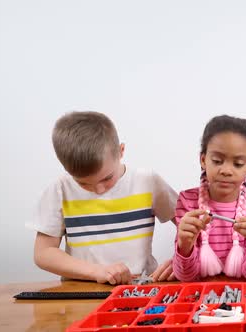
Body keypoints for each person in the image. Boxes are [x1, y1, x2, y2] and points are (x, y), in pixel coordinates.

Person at [29, 111, 178, 285]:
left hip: (142, 287)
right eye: (83, 184)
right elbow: (43, 253)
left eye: (107, 178)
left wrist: (183, 261)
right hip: (83, 290)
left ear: (121, 151)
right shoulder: (60, 189)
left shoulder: (148, 181)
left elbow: (196, 227)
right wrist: (96, 271)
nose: (98, 190)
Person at [172, 115, 246, 281]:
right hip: (200, 297)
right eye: (217, 161)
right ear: (203, 160)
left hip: (242, 298)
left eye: (238, 164)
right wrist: (184, 246)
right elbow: (186, 276)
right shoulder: (188, 201)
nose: (226, 170)